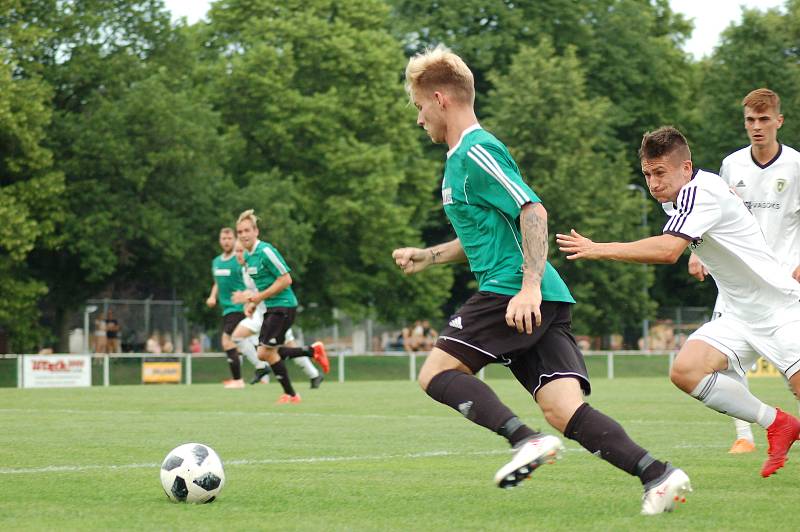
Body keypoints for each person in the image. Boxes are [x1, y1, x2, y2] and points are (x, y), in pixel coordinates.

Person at [393, 45, 688, 516]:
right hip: (541, 293)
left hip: (514, 289)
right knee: (565, 410)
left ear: (440, 97)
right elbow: (485, 234)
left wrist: (528, 285)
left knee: (436, 374)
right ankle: (658, 474)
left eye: (418, 106)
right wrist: (428, 256)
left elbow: (532, 210)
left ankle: (524, 440)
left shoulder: (475, 149)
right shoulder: (459, 160)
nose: (418, 118)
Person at [556, 125, 800, 479]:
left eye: (660, 173)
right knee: (686, 371)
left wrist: (599, 248)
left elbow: (668, 250)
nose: (653, 183)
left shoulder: (701, 192)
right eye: (647, 174)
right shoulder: (680, 198)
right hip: (739, 313)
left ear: (686, 168)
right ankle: (777, 423)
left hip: (780, 309)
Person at [687, 88, 800, 454]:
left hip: (783, 286)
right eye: (750, 120)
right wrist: (698, 251)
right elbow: (715, 214)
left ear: (779, 121)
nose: (757, 127)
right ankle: (744, 435)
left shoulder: (796, 167)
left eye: (764, 119)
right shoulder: (732, 166)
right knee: (717, 363)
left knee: (795, 374)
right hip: (736, 284)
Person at [235, 209, 330, 403]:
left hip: (284, 306)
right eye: (240, 232)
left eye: (247, 230)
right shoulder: (249, 256)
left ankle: (311, 354)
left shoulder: (266, 251)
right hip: (271, 308)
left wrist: (258, 297)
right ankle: (293, 392)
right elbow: (262, 285)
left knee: (264, 353)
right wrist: (255, 304)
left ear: (256, 231)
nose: (244, 235)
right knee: (266, 354)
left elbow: (286, 280)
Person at [207, 227, 247, 389]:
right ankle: (261, 369)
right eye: (223, 238)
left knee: (227, 341)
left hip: (238, 307)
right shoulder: (216, 262)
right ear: (219, 240)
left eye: (229, 238)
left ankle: (238, 380)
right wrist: (212, 296)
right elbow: (217, 282)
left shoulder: (239, 259)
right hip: (226, 309)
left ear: (234, 239)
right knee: (242, 343)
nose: (226, 241)